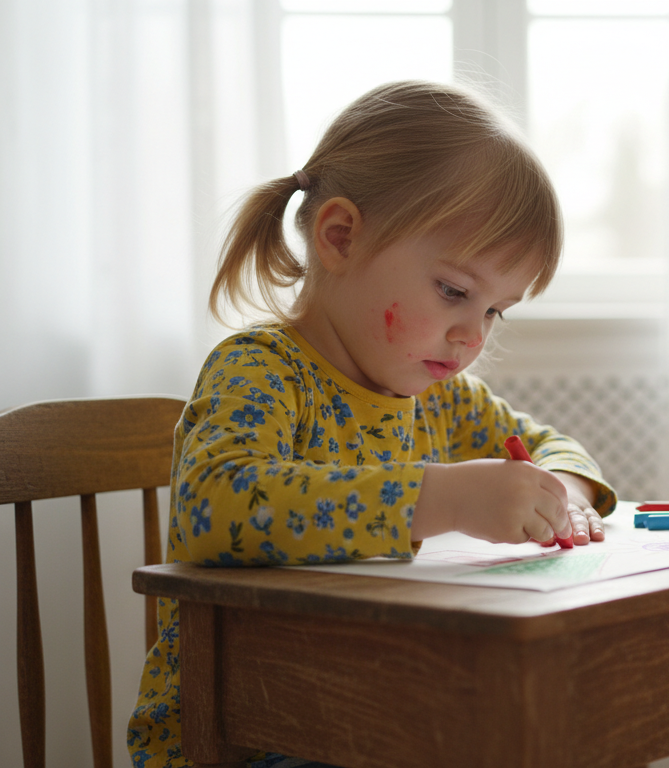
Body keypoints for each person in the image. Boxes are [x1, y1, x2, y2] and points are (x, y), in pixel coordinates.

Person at [127, 80, 616, 768]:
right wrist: (440, 498)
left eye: (495, 311)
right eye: (453, 291)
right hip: (242, 736)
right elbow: (216, 507)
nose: (471, 336)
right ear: (340, 237)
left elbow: (551, 446)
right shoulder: (260, 372)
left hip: (372, 719)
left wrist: (562, 489)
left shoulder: (441, 398)